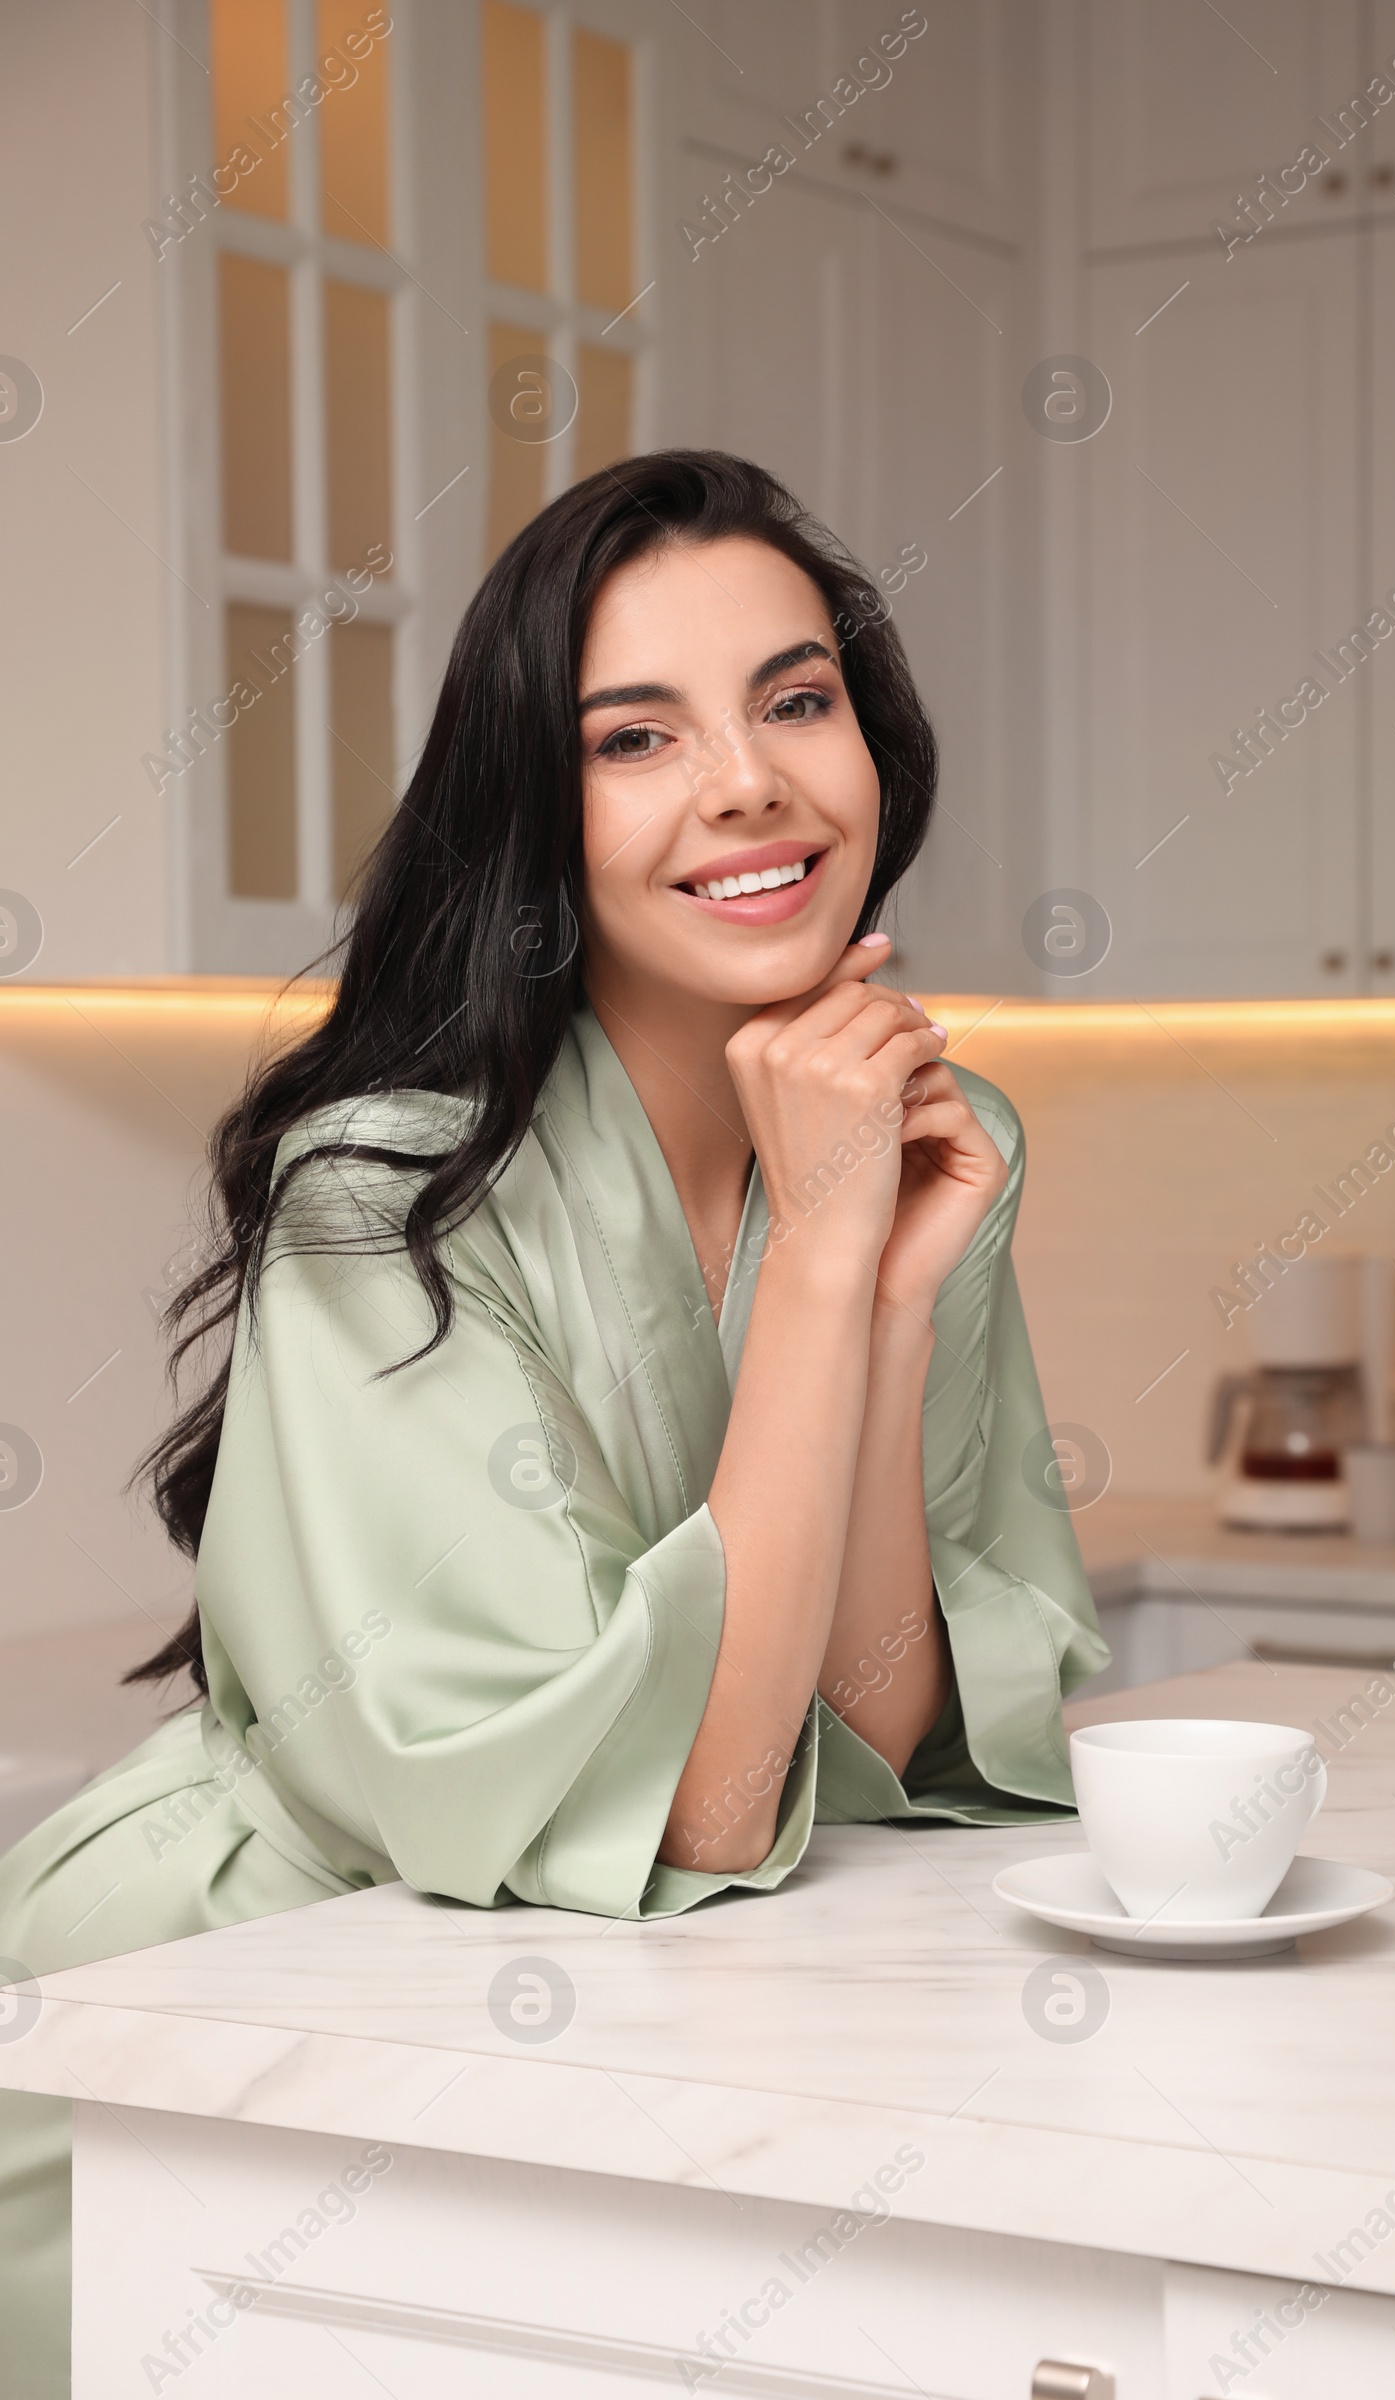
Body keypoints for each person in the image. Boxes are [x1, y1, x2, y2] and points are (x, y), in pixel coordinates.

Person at [0, 450, 1107, 2391]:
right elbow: (692, 1803)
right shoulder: (375, 1196)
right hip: (203, 2048)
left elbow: (860, 1729)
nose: (748, 782)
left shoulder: (920, 1144)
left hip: (586, 2046)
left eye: (793, 697)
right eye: (634, 736)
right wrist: (831, 1266)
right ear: (537, 811)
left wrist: (880, 1293)